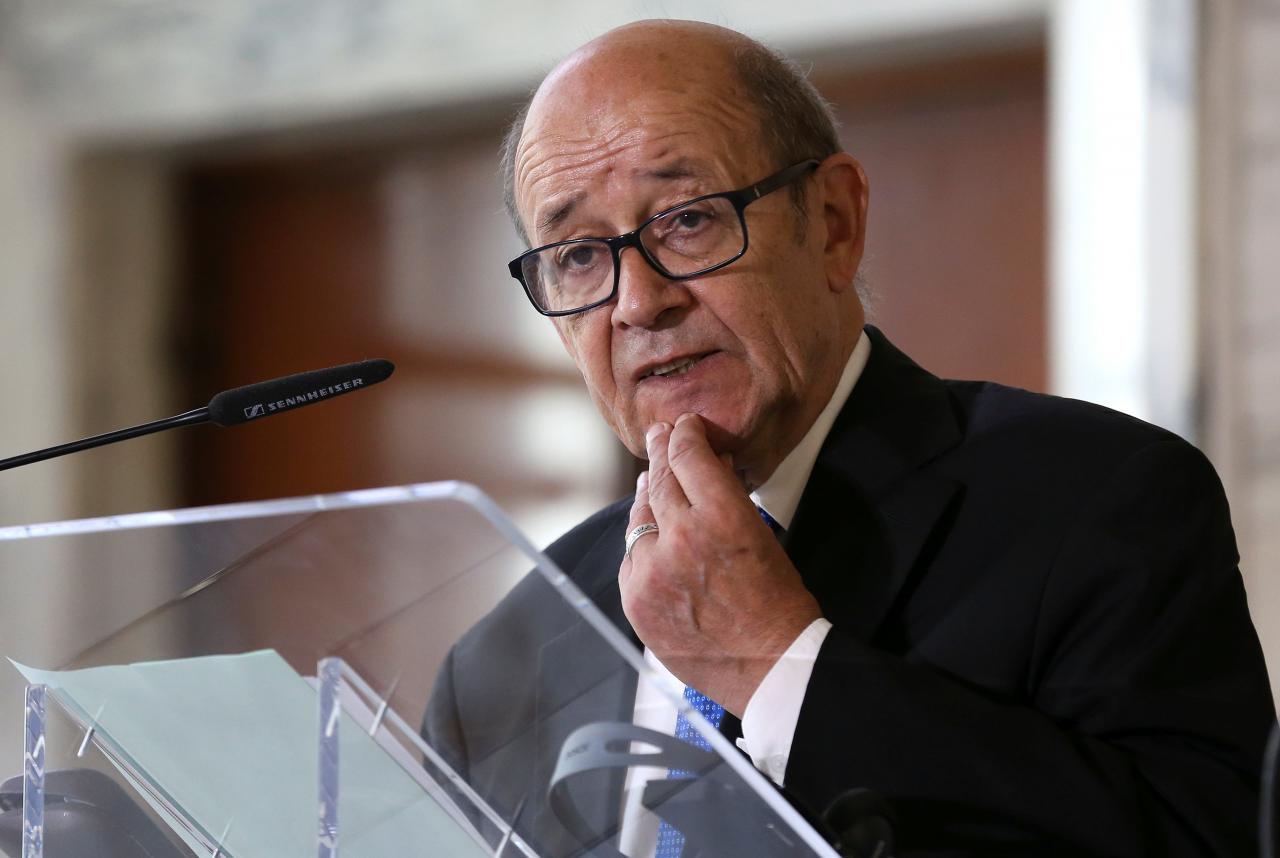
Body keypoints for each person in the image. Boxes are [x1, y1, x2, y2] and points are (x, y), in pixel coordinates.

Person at [425, 19, 1274, 857]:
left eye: (688, 219)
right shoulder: (504, 659)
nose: (639, 302)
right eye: (577, 256)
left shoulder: (1099, 501)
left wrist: (779, 666)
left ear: (832, 221)